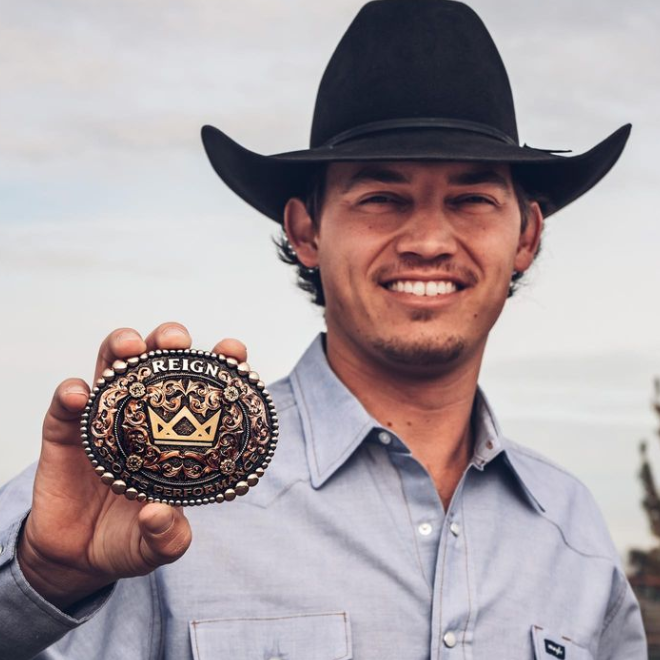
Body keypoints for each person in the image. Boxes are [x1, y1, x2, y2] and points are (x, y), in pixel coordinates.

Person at [0, 0, 647, 658]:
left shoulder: (574, 535)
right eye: (381, 198)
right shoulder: (152, 479)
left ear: (527, 235)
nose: (428, 239)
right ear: (306, 230)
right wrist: (46, 579)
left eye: (471, 199)